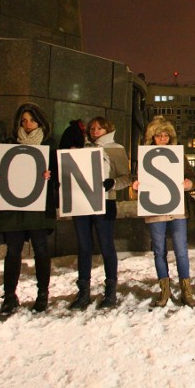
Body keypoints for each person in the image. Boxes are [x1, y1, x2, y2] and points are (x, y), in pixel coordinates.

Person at [0, 103, 58, 316]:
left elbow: (58, 173)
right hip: (13, 207)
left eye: (32, 120)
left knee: (41, 249)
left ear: (40, 122)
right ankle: (9, 295)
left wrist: (50, 175)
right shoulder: (10, 143)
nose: (27, 125)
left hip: (39, 205)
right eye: (24, 120)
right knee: (13, 251)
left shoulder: (50, 145)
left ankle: (42, 294)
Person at [65, 117, 131, 310]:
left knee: (106, 247)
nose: (95, 131)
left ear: (108, 129)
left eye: (100, 128)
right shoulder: (81, 148)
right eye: (92, 128)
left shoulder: (115, 148)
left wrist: (113, 184)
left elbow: (126, 177)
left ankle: (110, 291)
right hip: (82, 203)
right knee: (84, 247)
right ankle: (83, 292)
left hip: (105, 202)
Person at [133, 116, 195, 307]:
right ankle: (165, 290)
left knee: (181, 250)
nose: (162, 139)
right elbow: (138, 180)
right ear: (152, 137)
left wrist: (190, 184)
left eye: (166, 135)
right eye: (158, 135)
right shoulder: (145, 157)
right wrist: (136, 185)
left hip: (177, 209)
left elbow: (193, 177)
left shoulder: (178, 156)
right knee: (159, 250)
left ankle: (186, 290)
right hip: (155, 210)